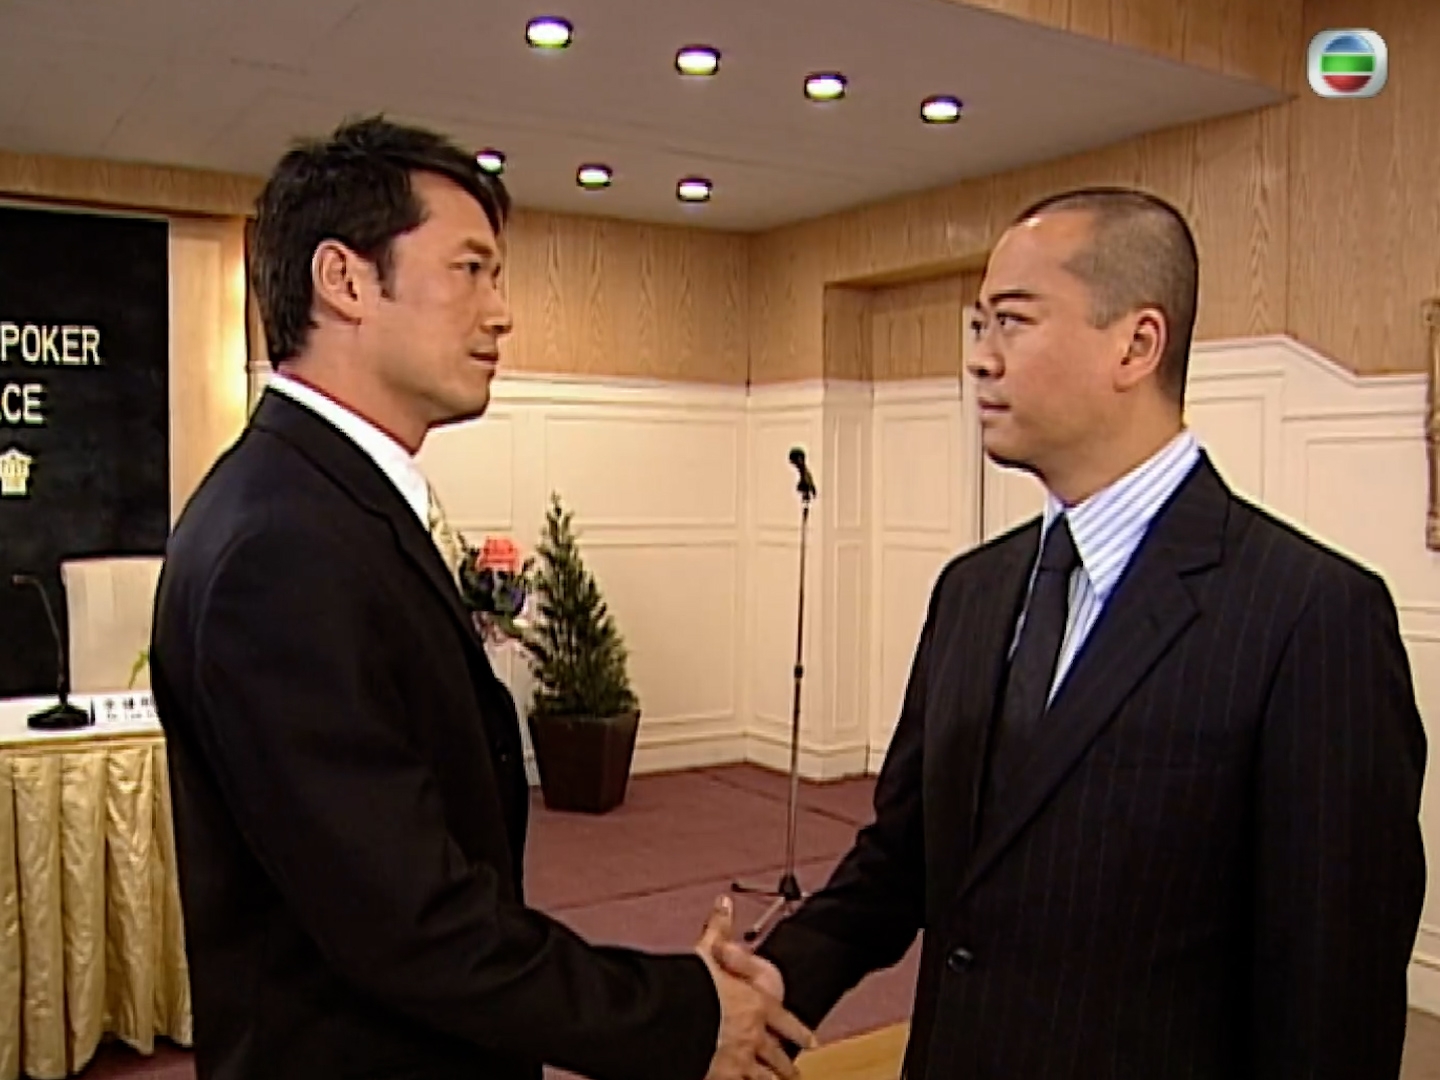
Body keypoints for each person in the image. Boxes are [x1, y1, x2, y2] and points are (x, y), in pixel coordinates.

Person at [151, 115, 813, 1080]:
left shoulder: (321, 500)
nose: (500, 313)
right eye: (470, 270)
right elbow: (412, 922)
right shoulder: (280, 545)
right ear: (344, 280)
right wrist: (682, 1014)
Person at [730, 187, 1428, 1077]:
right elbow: (907, 855)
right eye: (977, 325)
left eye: (1012, 322)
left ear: (1137, 344)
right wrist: (777, 978)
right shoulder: (971, 593)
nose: (979, 359)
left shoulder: (1312, 616)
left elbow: (1333, 996)